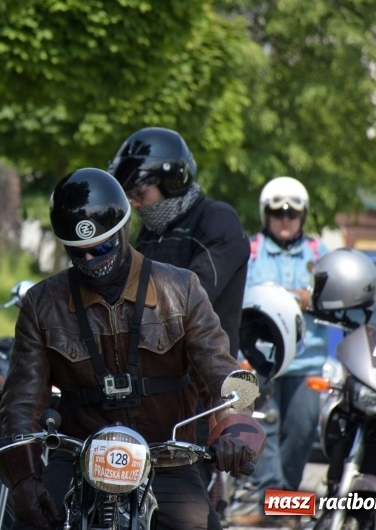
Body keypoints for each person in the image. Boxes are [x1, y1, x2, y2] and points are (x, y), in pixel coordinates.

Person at [0, 167, 265, 530]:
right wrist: (25, 480)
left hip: (166, 463)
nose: (91, 261)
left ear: (123, 230)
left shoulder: (182, 289)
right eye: (78, 253)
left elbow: (219, 370)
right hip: (77, 461)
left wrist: (235, 426)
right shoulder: (42, 303)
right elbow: (22, 400)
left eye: (101, 248)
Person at [106, 127, 250, 496]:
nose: (135, 204)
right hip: (147, 380)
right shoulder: (149, 235)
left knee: (184, 497)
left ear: (172, 180)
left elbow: (189, 296)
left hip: (199, 386)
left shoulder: (217, 221)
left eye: (140, 193)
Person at [228, 176, 329, 527]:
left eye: (292, 213)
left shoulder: (320, 254)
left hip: (307, 361)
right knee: (261, 431)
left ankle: (281, 503)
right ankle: (274, 504)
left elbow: (336, 295)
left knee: (302, 431)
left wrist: (307, 297)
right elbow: (236, 296)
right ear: (265, 214)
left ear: (303, 216)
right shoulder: (250, 250)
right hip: (259, 360)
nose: (285, 219)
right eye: (277, 212)